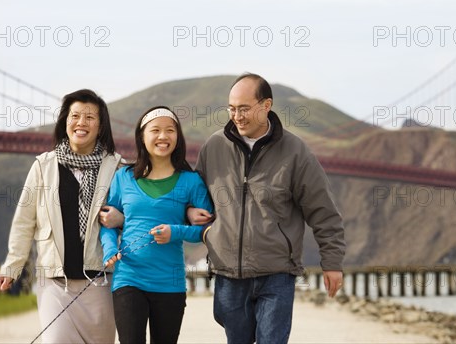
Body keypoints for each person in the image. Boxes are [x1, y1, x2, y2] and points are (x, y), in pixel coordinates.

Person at [193, 73, 346, 344]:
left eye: (244, 108)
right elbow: (194, 196)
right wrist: (201, 225)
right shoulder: (214, 146)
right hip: (228, 272)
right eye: (231, 108)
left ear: (266, 106)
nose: (236, 116)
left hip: (276, 274)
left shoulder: (296, 152)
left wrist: (332, 262)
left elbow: (322, 210)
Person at [0, 89, 121, 344]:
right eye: (75, 115)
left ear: (101, 126)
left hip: (100, 283)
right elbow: (24, 220)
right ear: (65, 121)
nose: (81, 123)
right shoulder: (43, 166)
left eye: (89, 117)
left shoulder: (116, 167)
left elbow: (134, 214)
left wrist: (121, 219)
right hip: (54, 283)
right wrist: (13, 265)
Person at [100, 106, 213, 344]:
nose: (163, 136)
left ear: (177, 137)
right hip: (129, 278)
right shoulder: (123, 177)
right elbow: (108, 221)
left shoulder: (191, 181)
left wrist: (175, 232)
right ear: (142, 136)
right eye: (156, 130)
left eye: (170, 130)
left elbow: (205, 232)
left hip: (169, 283)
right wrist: (110, 250)